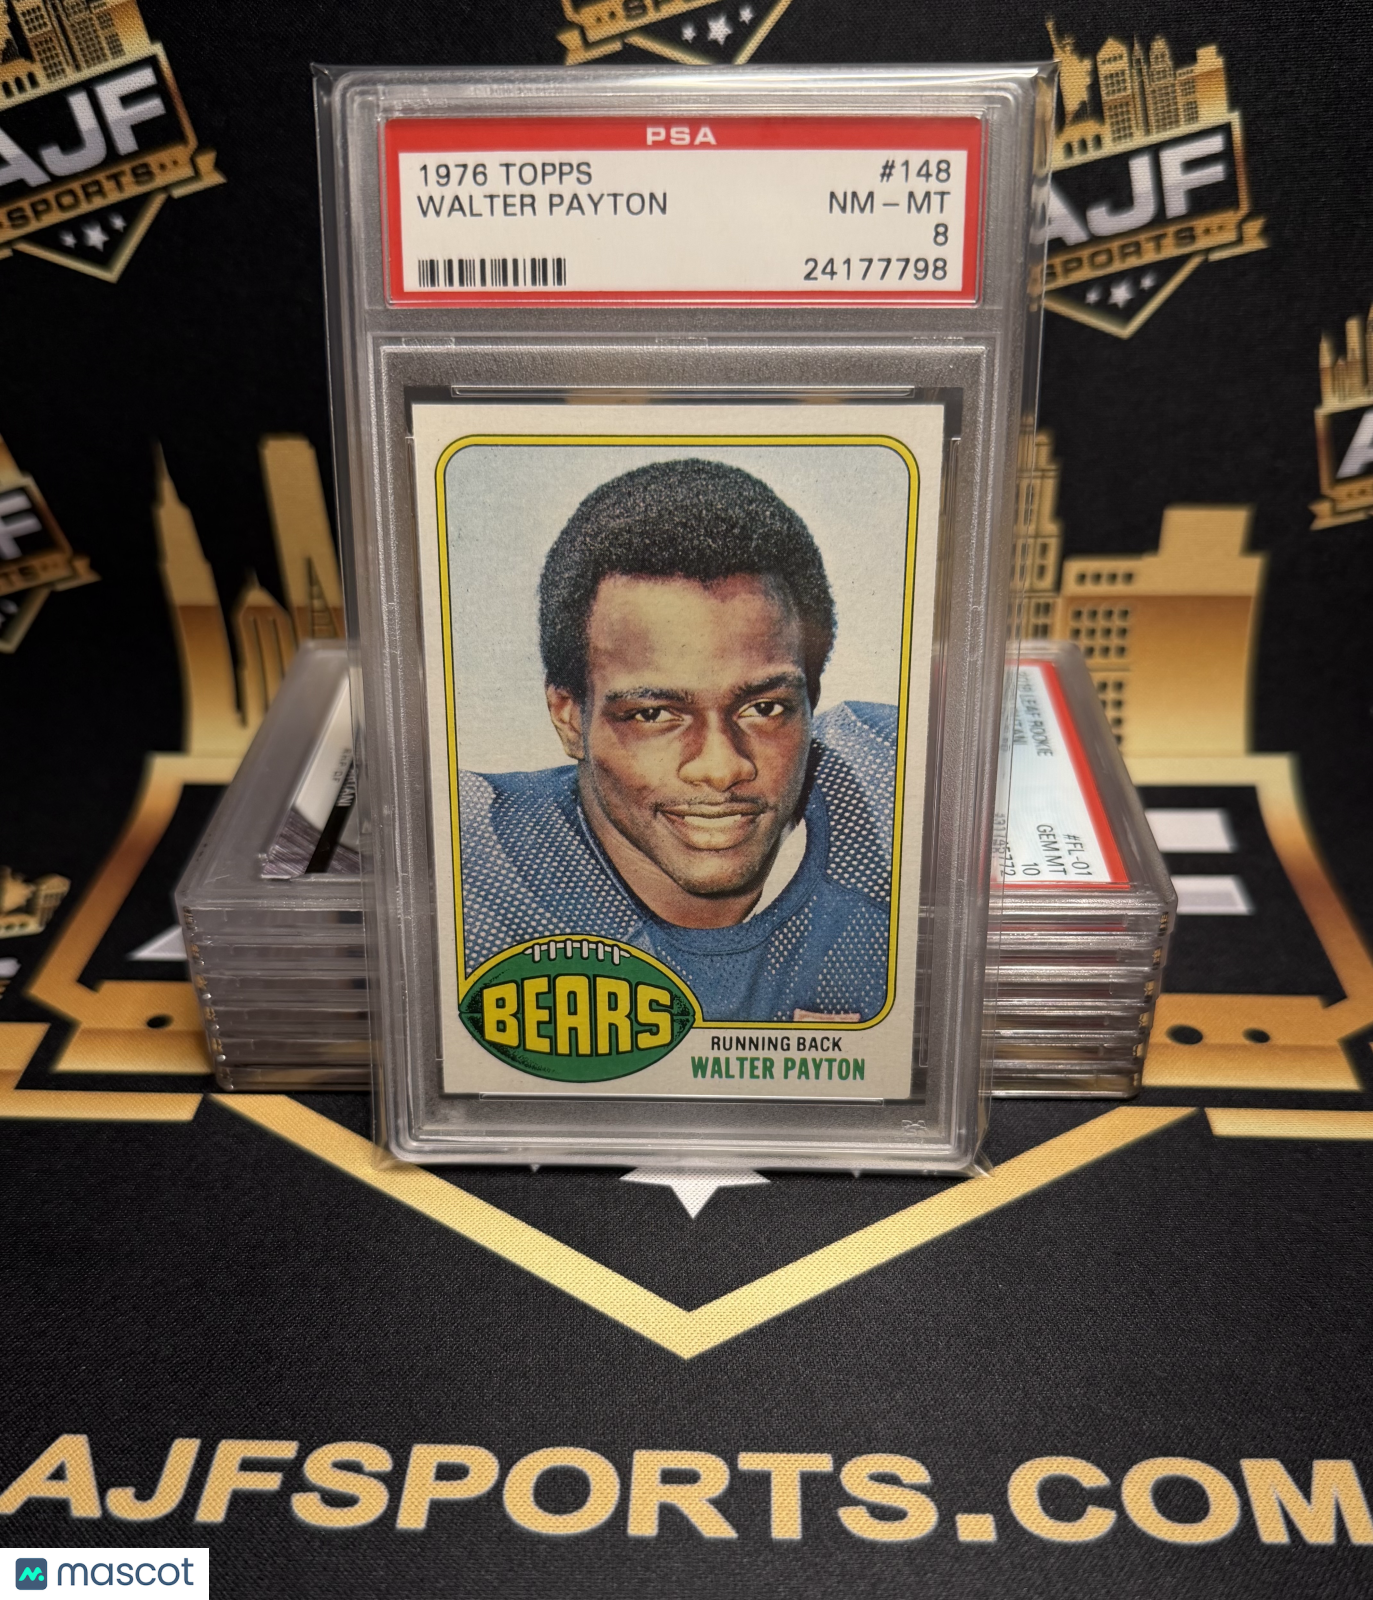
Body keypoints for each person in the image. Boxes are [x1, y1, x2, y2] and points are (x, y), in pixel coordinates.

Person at [458, 458, 897, 1023]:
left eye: (764, 708)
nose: (720, 767)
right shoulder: (469, 869)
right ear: (569, 718)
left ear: (811, 699)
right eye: (653, 714)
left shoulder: (891, 784)